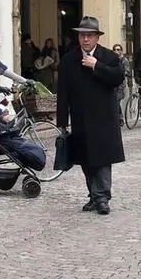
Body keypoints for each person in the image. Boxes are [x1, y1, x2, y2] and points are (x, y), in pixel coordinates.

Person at [56, 16, 125, 215]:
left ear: (97, 38)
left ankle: (102, 197)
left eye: (89, 36)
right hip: (81, 118)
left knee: (102, 159)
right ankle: (94, 196)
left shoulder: (109, 56)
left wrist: (96, 65)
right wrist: (62, 121)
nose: (85, 39)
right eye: (82, 36)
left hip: (104, 117)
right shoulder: (69, 60)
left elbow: (118, 77)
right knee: (86, 159)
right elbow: (63, 92)